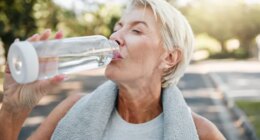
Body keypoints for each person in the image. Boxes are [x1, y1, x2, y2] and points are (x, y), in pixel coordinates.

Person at [0, 0, 226, 139]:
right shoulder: (71, 109)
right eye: (118, 28)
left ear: (169, 57)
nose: (115, 37)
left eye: (136, 31)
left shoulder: (201, 134)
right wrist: (13, 108)